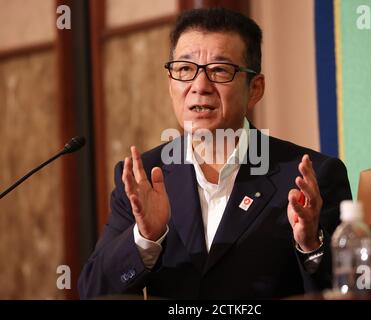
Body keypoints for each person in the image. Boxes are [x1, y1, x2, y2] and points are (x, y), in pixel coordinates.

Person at [78, 7, 351, 299]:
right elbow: (94, 290)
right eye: (185, 69)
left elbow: (348, 290)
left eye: (219, 70)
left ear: (255, 89)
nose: (200, 86)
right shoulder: (141, 176)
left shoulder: (310, 177)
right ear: (171, 85)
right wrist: (145, 238)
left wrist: (310, 245)